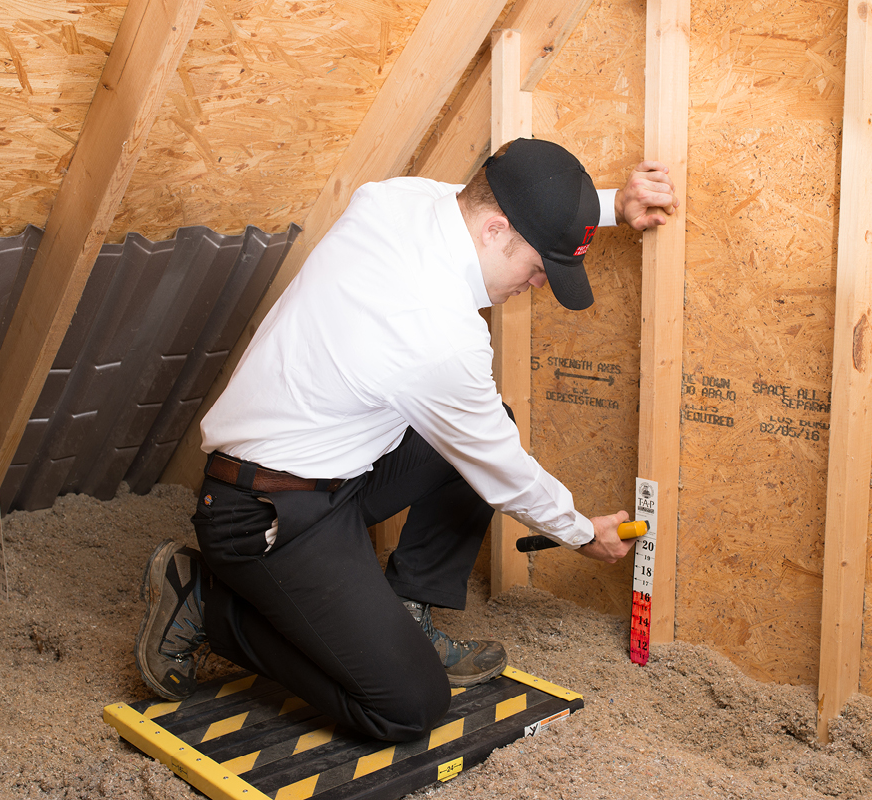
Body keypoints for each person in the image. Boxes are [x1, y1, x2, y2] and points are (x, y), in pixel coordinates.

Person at [134, 138, 678, 742]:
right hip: (262, 514)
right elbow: (501, 470)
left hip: (338, 474)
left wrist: (610, 205)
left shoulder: (398, 200)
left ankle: (405, 610)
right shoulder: (438, 333)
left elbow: (493, 199)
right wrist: (581, 533)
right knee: (408, 706)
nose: (539, 284)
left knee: (484, 422)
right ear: (497, 232)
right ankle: (207, 602)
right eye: (539, 267)